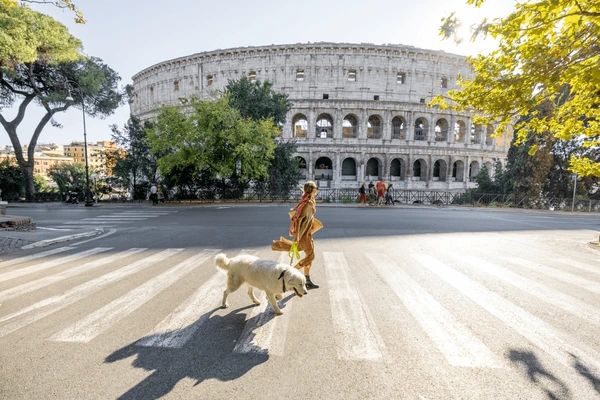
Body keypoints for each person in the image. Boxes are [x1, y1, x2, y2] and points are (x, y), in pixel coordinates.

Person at [272, 181, 322, 289]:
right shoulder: (308, 203)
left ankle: (307, 280)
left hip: (308, 233)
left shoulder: (309, 200)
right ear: (311, 190)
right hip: (304, 235)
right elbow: (299, 219)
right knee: (311, 256)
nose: (317, 189)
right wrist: (297, 237)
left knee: (309, 257)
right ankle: (289, 275)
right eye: (315, 188)